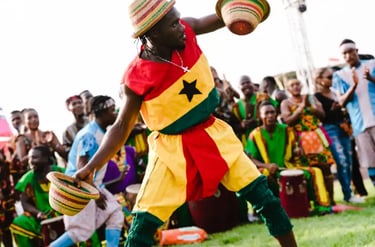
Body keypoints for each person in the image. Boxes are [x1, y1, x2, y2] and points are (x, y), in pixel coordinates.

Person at [73, 1, 297, 247]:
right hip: (169, 150)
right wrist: (91, 167)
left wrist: (241, 10)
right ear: (153, 34)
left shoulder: (187, 30)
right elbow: (120, 127)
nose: (180, 27)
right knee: (142, 226)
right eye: (173, 24)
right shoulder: (135, 78)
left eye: (178, 20)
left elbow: (219, 18)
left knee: (266, 199)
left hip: (213, 133)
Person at [50, 95, 124, 247]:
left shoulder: (100, 131)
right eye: (111, 110)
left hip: (93, 186)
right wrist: (95, 194)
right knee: (79, 232)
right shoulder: (90, 135)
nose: (115, 113)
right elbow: (81, 169)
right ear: (101, 113)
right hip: (79, 189)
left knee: (115, 215)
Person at [246, 101, 331, 214]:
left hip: (288, 168)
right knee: (262, 176)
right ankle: (264, 211)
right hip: (267, 170)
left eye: (272, 112)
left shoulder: (287, 130)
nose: (270, 115)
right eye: (266, 113)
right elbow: (249, 158)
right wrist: (267, 165)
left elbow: (297, 147)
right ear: (260, 116)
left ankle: (322, 207)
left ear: (277, 114)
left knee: (315, 172)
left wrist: (299, 150)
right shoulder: (255, 134)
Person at [280, 78, 336, 205]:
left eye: (297, 84)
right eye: (292, 85)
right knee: (308, 171)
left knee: (325, 168)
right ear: (288, 89)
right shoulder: (286, 103)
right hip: (299, 141)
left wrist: (311, 106)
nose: (295, 87)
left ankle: (331, 200)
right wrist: (301, 108)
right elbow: (288, 121)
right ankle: (313, 200)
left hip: (316, 137)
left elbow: (322, 115)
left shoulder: (311, 98)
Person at [314, 67, 364, 203]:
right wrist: (332, 109)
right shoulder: (316, 97)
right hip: (330, 128)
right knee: (341, 160)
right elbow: (322, 115)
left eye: (333, 77)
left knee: (348, 160)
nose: (332, 79)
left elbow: (344, 103)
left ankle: (349, 194)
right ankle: (347, 194)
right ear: (320, 80)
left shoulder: (335, 92)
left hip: (344, 127)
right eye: (329, 77)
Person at [332, 39, 375, 187]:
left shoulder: (371, 65)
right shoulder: (340, 75)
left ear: (357, 51)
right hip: (359, 125)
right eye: (345, 53)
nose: (348, 55)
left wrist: (370, 79)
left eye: (351, 51)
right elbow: (341, 101)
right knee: (370, 161)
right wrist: (354, 85)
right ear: (342, 57)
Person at [9, 145, 64, 247]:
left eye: (34, 157)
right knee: (19, 223)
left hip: (64, 213)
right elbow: (24, 202)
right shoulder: (28, 178)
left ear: (46, 158)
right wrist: (38, 213)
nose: (30, 161)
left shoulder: (61, 173)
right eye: (29, 158)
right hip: (42, 216)